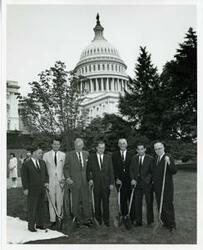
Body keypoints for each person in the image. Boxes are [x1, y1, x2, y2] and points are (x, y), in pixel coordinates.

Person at [64, 138, 91, 227]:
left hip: (85, 181)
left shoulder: (87, 154)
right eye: (77, 145)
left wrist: (90, 178)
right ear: (74, 145)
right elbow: (66, 168)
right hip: (74, 182)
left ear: (83, 145)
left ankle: (87, 219)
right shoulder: (69, 155)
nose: (79, 147)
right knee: (75, 201)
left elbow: (90, 168)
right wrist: (68, 178)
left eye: (80, 145)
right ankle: (77, 219)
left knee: (86, 200)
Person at [21, 146, 49, 232]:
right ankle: (31, 226)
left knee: (41, 207)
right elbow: (24, 177)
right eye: (39, 153)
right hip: (32, 189)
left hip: (42, 189)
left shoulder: (43, 163)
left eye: (41, 153)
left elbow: (46, 174)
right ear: (34, 153)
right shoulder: (26, 164)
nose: (41, 154)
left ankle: (40, 224)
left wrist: (46, 182)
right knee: (32, 208)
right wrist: (25, 188)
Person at [86, 141, 114, 227]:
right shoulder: (91, 158)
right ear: (97, 148)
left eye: (103, 148)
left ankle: (106, 220)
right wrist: (90, 179)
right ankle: (98, 219)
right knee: (97, 202)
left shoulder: (108, 157)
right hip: (96, 184)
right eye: (100, 148)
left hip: (106, 184)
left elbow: (111, 171)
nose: (101, 149)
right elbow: (88, 171)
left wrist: (111, 183)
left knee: (106, 202)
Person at [153, 141, 177, 232]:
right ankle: (164, 222)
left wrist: (169, 162)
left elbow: (174, 171)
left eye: (160, 148)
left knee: (167, 205)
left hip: (166, 187)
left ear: (163, 148)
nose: (158, 150)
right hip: (158, 186)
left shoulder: (168, 157)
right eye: (156, 149)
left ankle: (172, 224)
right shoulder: (156, 159)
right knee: (160, 205)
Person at [43, 138, 66, 229]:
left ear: (60, 145)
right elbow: (44, 170)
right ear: (51, 145)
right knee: (51, 201)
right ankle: (52, 220)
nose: (56, 146)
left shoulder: (63, 155)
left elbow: (65, 168)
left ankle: (60, 219)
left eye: (58, 144)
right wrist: (46, 181)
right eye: (54, 144)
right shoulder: (46, 155)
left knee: (59, 201)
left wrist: (63, 178)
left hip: (60, 181)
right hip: (50, 181)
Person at [130, 142, 154, 226]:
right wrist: (132, 179)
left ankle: (150, 221)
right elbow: (131, 170)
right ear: (136, 150)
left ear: (145, 149)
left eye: (142, 149)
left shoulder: (150, 158)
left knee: (149, 203)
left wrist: (147, 180)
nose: (140, 151)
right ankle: (138, 221)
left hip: (147, 184)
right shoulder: (134, 158)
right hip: (137, 184)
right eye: (138, 149)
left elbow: (152, 172)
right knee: (137, 203)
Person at [112, 138, 135, 225]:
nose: (122, 145)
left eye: (124, 143)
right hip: (120, 181)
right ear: (118, 145)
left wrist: (133, 179)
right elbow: (113, 168)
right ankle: (124, 216)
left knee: (131, 198)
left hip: (130, 180)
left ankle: (132, 217)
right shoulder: (114, 155)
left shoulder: (132, 154)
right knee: (122, 199)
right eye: (120, 143)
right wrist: (116, 178)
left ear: (126, 144)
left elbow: (134, 168)